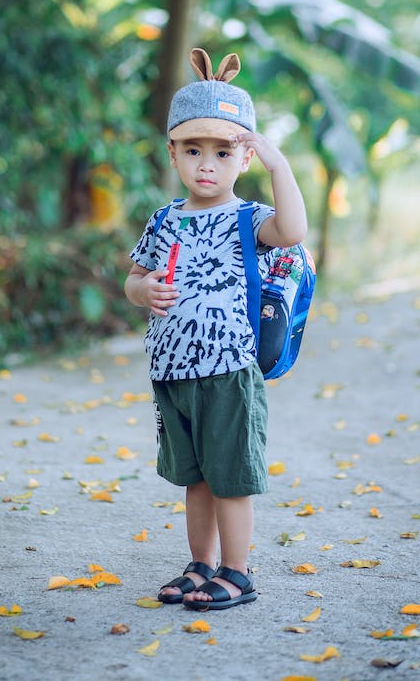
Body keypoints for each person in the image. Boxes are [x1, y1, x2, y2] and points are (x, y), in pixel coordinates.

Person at [124, 47, 308, 610]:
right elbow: (134, 278)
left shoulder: (250, 218)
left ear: (243, 158)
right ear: (173, 153)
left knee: (230, 476)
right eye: (194, 150)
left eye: (223, 151)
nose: (207, 164)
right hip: (173, 368)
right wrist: (143, 290)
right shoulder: (165, 218)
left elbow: (294, 230)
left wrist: (281, 167)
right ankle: (200, 565)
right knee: (196, 479)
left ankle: (237, 571)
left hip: (228, 368)